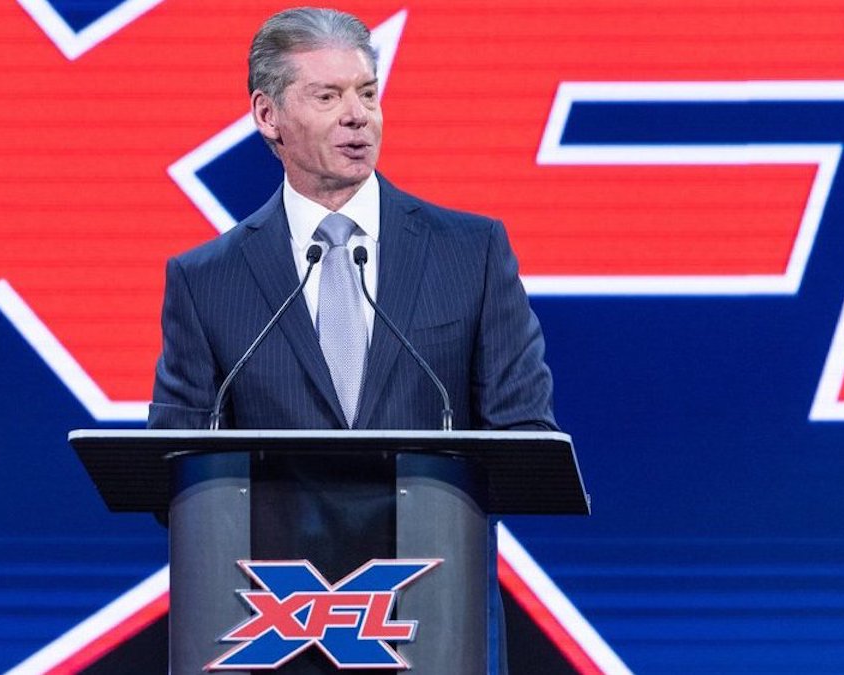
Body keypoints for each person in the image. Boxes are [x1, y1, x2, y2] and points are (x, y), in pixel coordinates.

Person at [148, 7, 556, 673]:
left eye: (367, 93)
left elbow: (526, 437)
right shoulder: (207, 280)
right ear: (268, 115)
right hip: (269, 635)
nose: (357, 116)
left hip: (435, 626)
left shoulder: (471, 253)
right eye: (328, 96)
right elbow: (177, 468)